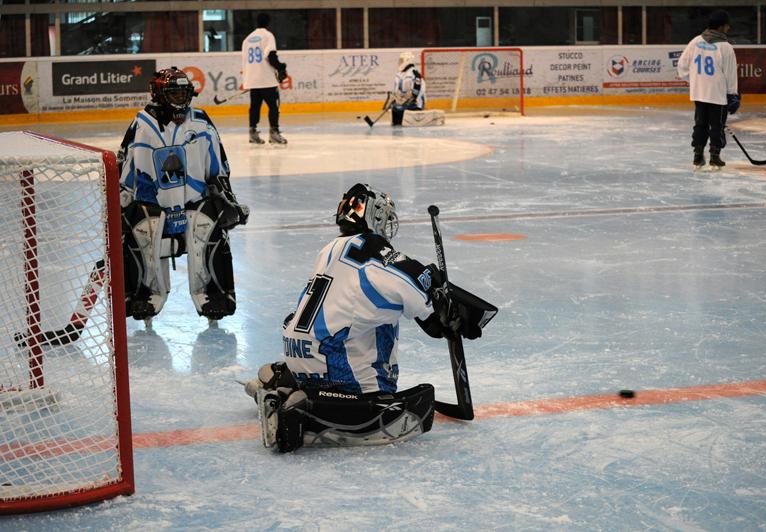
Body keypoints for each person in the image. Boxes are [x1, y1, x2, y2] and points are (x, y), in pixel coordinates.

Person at [244, 184, 495, 452]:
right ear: (374, 216)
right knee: (404, 401)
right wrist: (444, 311)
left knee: (362, 314)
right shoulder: (373, 249)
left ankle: (286, 381)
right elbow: (413, 284)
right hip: (336, 365)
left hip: (299, 352)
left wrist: (433, 311)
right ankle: (305, 409)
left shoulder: (329, 249)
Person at [117, 67, 249, 325]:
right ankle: (144, 295)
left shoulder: (200, 121)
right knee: (139, 223)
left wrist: (228, 199)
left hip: (193, 205)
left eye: (184, 94)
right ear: (159, 95)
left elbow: (217, 167)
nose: (181, 100)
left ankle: (213, 296)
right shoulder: (141, 125)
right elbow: (126, 170)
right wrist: (120, 205)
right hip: (154, 208)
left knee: (209, 220)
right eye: (174, 94)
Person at [677, 10, 740, 170]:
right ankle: (714, 157)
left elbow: (682, 66)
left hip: (699, 93)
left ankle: (698, 156)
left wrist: (695, 81)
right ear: (720, 27)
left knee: (700, 125)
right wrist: (732, 95)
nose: (728, 28)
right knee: (717, 126)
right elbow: (730, 74)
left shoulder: (695, 41)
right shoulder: (725, 47)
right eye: (727, 25)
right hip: (718, 94)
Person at [241, 13, 288, 145]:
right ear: (268, 22)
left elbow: (244, 60)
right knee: (273, 107)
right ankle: (274, 133)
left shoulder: (247, 39)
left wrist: (247, 79)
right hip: (266, 79)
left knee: (254, 107)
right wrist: (281, 67)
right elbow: (271, 55)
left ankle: (252, 133)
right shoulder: (268, 36)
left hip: (252, 79)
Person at [389, 52, 444, 127]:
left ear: (407, 60)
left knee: (402, 113)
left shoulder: (414, 74)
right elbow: (397, 90)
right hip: (405, 102)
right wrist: (395, 99)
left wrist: (410, 99)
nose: (400, 62)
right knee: (395, 111)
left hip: (415, 103)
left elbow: (417, 91)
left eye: (402, 60)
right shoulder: (399, 74)